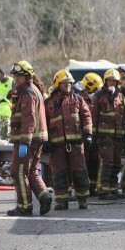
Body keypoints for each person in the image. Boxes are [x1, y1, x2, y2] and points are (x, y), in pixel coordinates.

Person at [7, 60, 52, 216]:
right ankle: (44, 196)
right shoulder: (32, 90)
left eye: (19, 76)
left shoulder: (27, 93)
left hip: (27, 140)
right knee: (31, 171)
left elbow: (29, 118)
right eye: (15, 75)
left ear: (27, 76)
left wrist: (25, 142)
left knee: (18, 172)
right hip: (35, 139)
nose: (16, 78)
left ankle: (24, 206)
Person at [44, 70, 93, 210]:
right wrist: (45, 140)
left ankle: (82, 199)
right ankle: (61, 200)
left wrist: (88, 134)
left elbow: (86, 116)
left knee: (80, 171)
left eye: (70, 83)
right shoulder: (49, 103)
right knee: (59, 172)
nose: (68, 86)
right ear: (58, 84)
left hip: (76, 144)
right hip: (57, 145)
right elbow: (44, 122)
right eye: (65, 83)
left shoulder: (78, 99)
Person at [91, 68, 125, 200]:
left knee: (117, 163)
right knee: (107, 162)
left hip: (118, 136)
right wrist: (93, 134)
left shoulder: (120, 97)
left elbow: (123, 117)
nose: (112, 82)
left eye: (114, 80)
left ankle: (113, 188)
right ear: (105, 81)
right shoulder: (99, 96)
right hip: (104, 136)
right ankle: (103, 190)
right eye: (110, 80)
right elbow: (93, 116)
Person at [79, 72, 103, 196]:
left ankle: (93, 187)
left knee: (95, 162)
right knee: (84, 163)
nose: (99, 89)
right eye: (97, 87)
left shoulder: (97, 99)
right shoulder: (80, 99)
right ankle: (84, 188)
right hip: (84, 136)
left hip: (96, 136)